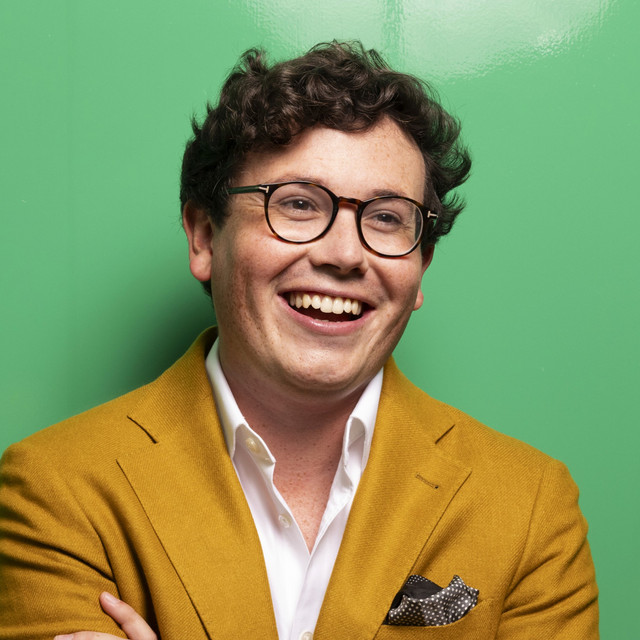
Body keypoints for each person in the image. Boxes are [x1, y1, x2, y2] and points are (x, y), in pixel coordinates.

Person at [0, 42, 598, 640]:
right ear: (204, 237)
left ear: (421, 267)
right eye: (298, 204)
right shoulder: (55, 488)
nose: (344, 254)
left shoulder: (530, 506)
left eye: (387, 217)